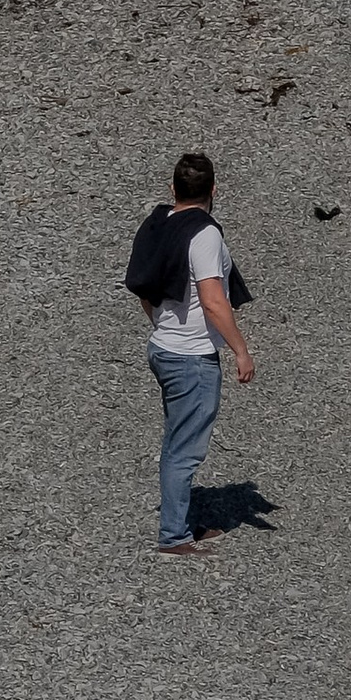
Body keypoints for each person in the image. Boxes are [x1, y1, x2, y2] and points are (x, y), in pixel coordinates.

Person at [133, 150, 254, 558]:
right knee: (184, 448)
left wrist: (161, 325)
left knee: (177, 438)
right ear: (214, 190)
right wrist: (240, 350)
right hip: (191, 358)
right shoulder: (204, 236)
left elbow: (143, 287)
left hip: (163, 348)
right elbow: (214, 301)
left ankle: (180, 520)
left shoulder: (159, 223)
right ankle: (174, 536)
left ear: (173, 189)